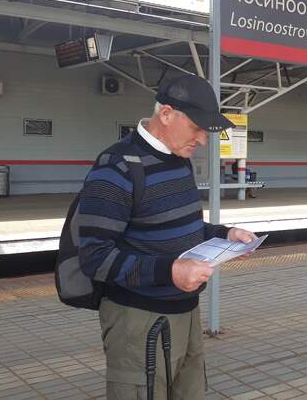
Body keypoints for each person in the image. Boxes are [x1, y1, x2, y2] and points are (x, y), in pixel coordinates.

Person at [77, 74, 257, 400]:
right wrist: (170, 272)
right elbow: (93, 256)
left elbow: (182, 227)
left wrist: (224, 234)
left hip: (187, 314)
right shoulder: (116, 166)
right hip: (138, 320)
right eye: (196, 128)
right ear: (166, 114)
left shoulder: (179, 161)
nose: (203, 140)